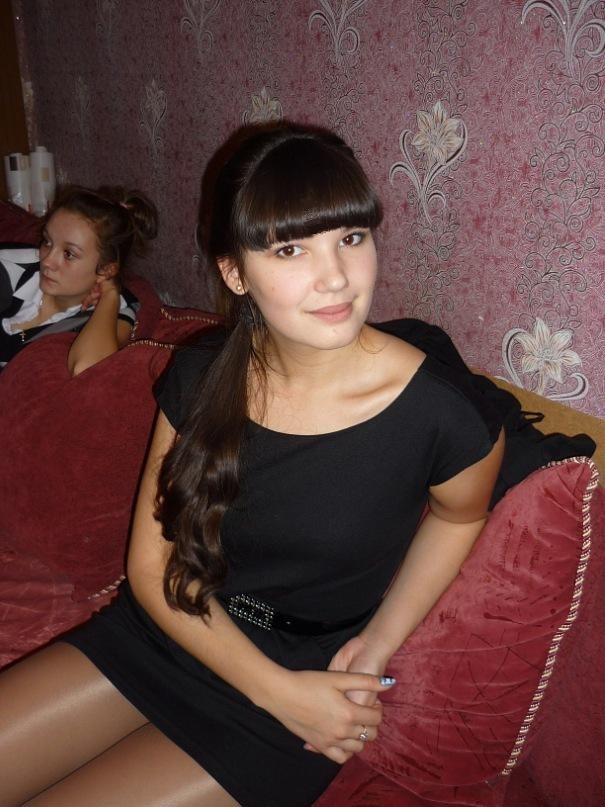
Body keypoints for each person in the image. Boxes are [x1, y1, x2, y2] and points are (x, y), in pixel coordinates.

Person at [0, 124, 504, 807]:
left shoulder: (441, 411)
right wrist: (276, 692)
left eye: (351, 237)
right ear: (234, 272)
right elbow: (153, 566)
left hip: (301, 676)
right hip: (179, 625)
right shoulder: (201, 375)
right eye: (290, 249)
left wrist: (378, 641)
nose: (335, 276)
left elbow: (459, 514)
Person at [0, 184, 158, 374]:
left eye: (69, 254)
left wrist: (110, 293)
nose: (47, 261)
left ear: (106, 269)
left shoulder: (115, 309)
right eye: (47, 241)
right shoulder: (10, 266)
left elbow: (86, 367)